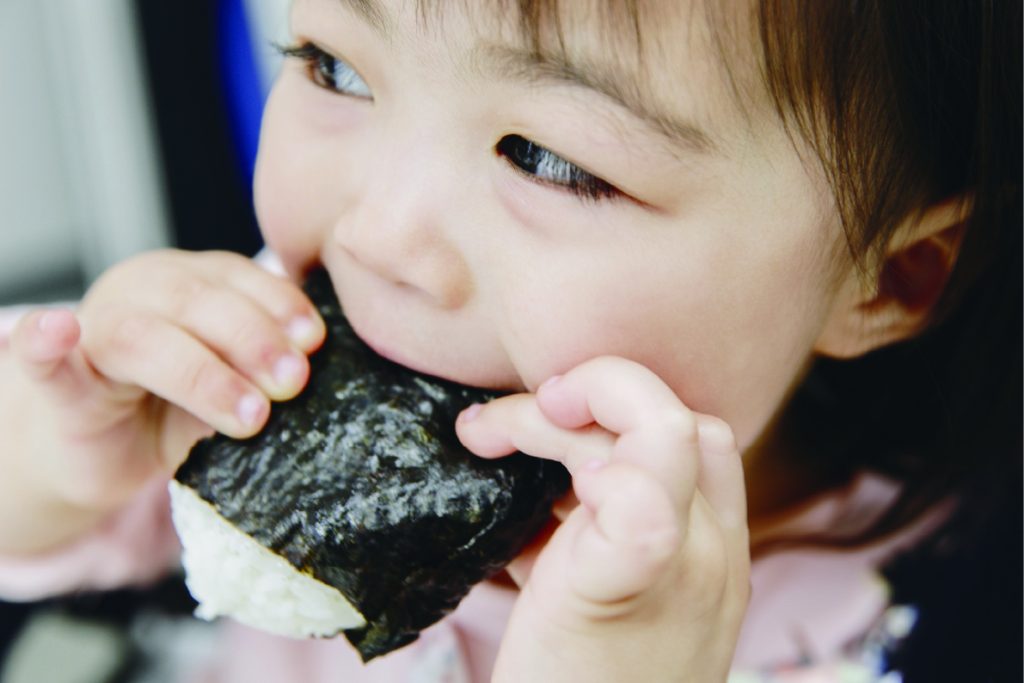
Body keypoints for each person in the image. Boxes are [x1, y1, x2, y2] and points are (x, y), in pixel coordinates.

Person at [0, 0, 1019, 680]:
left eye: (546, 158)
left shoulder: (941, 621)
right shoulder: (258, 352)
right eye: (335, 68)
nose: (378, 236)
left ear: (890, 275)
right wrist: (58, 450)